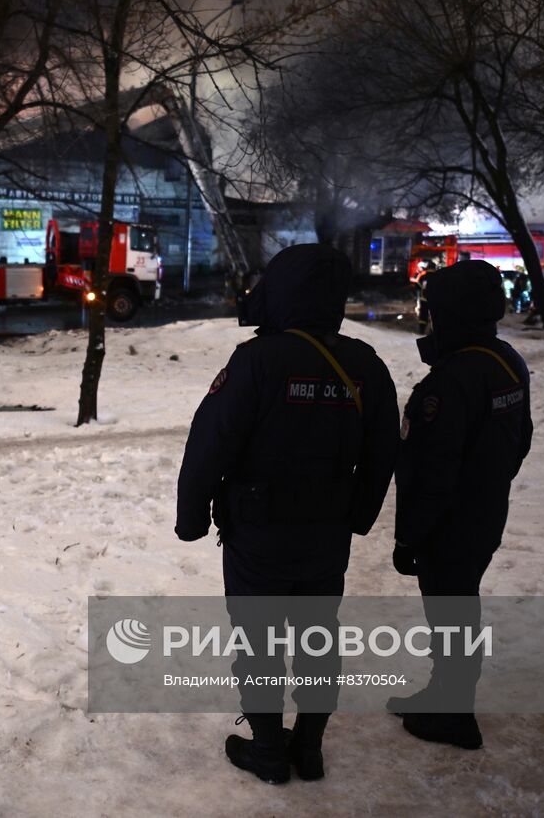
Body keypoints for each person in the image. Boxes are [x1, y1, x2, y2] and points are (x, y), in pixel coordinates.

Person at [176, 244, 399, 784]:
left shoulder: (257, 360)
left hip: (258, 536)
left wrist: (191, 516)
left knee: (259, 643)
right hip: (325, 537)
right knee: (318, 640)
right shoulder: (364, 363)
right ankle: (310, 748)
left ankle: (270, 749)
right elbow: (384, 449)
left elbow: (211, 442)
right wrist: (360, 514)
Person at [389, 260, 532, 750]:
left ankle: (454, 714)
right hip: (485, 513)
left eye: (433, 310)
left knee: (450, 613)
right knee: (458, 608)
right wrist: (490, 486)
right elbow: (521, 440)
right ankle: (445, 694)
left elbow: (431, 473)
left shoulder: (450, 381)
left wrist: (409, 535)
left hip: (449, 525)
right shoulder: (506, 360)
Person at [416, 261, 436, 335]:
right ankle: (432, 332)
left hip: (424, 299)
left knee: (423, 315)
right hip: (434, 300)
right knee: (434, 316)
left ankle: (422, 329)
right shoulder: (438, 277)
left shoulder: (423, 276)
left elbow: (417, 286)